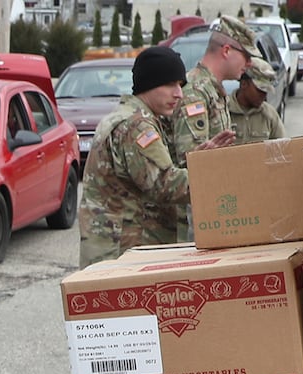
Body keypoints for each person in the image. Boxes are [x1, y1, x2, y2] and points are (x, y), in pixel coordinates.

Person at [77, 46, 234, 267]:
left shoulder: (128, 116)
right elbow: (165, 185)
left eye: (180, 85)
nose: (179, 93)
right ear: (149, 84)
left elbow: (147, 175)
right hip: (122, 254)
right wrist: (220, 177)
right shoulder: (136, 126)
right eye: (170, 84)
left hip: (117, 249)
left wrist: (194, 163)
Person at [172, 15, 261, 165]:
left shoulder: (213, 89)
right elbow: (191, 163)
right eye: (246, 56)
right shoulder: (195, 93)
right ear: (226, 51)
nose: (250, 64)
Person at [229, 57, 285, 144]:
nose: (264, 95)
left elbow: (283, 148)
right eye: (260, 90)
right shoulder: (223, 111)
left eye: (266, 91)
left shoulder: (269, 115)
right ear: (244, 84)